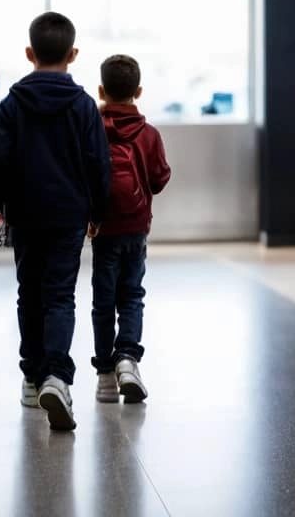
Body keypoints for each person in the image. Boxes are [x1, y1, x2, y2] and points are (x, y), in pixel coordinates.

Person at [0, 12, 110, 432]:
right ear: (73, 55)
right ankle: (57, 375)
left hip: (25, 214)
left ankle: (32, 378)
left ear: (29, 53)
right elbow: (98, 164)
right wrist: (97, 211)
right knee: (60, 296)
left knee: (28, 294)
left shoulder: (13, 104)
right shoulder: (84, 106)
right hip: (68, 215)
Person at [89, 53, 171, 406]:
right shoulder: (149, 134)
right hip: (136, 228)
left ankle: (105, 377)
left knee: (103, 301)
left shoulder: (91, 129)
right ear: (138, 91)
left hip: (104, 229)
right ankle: (128, 359)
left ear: (101, 90)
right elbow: (160, 178)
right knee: (132, 295)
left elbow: (85, 174)